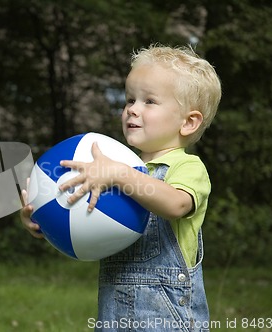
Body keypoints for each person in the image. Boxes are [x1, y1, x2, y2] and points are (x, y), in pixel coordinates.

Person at [20, 44, 222, 331]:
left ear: (188, 122)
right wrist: (42, 215)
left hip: (167, 319)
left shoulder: (186, 168)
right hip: (113, 317)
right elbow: (81, 222)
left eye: (149, 102)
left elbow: (175, 205)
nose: (132, 110)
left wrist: (120, 174)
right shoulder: (112, 166)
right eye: (129, 99)